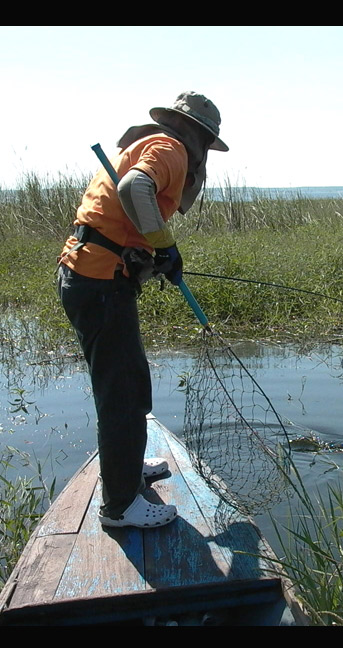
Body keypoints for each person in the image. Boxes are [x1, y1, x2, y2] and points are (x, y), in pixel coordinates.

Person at [57, 91, 228, 528]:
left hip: (94, 276)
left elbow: (122, 216)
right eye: (208, 145)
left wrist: (151, 261)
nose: (205, 155)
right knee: (123, 394)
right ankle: (120, 508)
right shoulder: (170, 148)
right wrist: (165, 245)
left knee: (130, 382)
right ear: (200, 137)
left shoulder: (155, 145)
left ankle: (128, 470)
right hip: (98, 283)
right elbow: (135, 187)